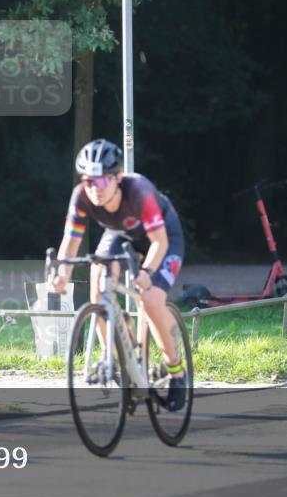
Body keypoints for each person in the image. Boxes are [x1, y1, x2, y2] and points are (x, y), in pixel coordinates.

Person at [48, 139, 187, 411]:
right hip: (121, 233)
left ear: (117, 178)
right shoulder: (81, 197)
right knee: (98, 280)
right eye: (88, 181)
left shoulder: (139, 191)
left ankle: (176, 371)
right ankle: (113, 356)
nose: (94, 189)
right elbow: (71, 241)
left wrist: (147, 271)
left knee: (151, 300)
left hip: (162, 237)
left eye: (101, 182)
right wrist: (62, 274)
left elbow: (160, 242)